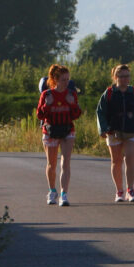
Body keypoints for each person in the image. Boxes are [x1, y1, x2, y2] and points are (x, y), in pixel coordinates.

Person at [97, 64, 134, 203]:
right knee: (116, 161)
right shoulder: (108, 93)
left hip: (132, 131)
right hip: (114, 131)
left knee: (130, 158)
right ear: (115, 78)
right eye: (122, 76)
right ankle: (119, 191)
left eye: (127, 76)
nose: (125, 79)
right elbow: (100, 112)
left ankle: (130, 190)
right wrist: (103, 129)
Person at [37, 64, 81, 206]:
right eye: (63, 79)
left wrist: (72, 104)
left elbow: (76, 114)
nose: (66, 82)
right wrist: (47, 105)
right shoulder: (47, 95)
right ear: (55, 80)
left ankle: (64, 194)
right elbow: (40, 115)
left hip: (67, 130)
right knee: (51, 164)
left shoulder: (71, 94)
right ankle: (52, 191)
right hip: (51, 131)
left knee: (65, 162)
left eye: (68, 79)